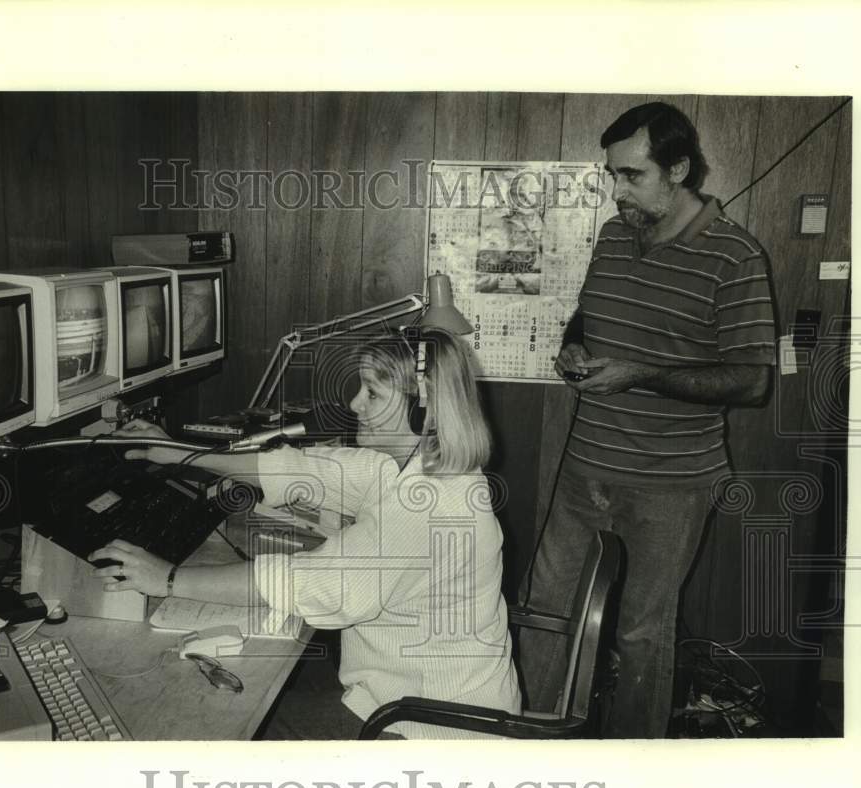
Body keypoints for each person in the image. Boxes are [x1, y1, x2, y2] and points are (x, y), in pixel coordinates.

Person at [91, 327, 521, 739]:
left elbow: (304, 581)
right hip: (411, 698)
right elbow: (306, 470)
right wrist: (181, 454)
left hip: (426, 729)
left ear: (422, 409)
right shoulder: (423, 464)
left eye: (373, 392)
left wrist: (167, 579)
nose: (355, 403)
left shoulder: (426, 504)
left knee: (233, 730)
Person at [519, 102, 776, 738]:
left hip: (673, 484)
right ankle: (532, 743)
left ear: (678, 169)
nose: (616, 190)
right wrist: (574, 343)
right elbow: (586, 312)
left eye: (631, 175)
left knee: (641, 634)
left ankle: (633, 768)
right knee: (545, 611)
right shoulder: (613, 235)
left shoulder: (735, 255)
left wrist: (641, 374)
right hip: (585, 469)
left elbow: (751, 379)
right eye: (612, 174)